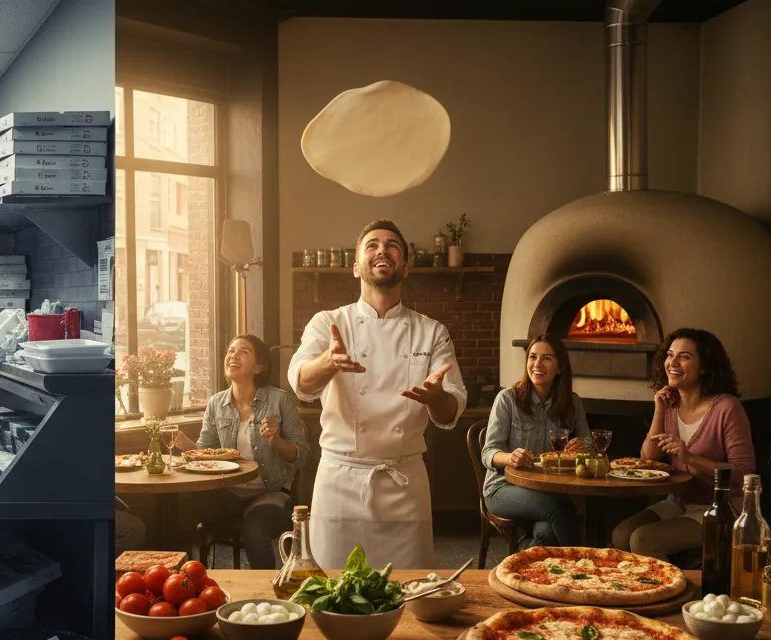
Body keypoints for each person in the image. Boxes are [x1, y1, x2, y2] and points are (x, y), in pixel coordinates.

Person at [287, 219, 467, 570]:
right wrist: (328, 362)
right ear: (356, 267)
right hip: (340, 482)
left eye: (392, 245)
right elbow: (302, 384)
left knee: (408, 593)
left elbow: (449, 413)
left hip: (404, 484)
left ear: (405, 267)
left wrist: (434, 397)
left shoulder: (432, 332)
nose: (382, 250)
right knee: (333, 591)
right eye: (371, 245)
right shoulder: (328, 323)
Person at [611, 329, 756, 561]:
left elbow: (745, 473)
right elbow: (648, 459)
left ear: (705, 366)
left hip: (721, 509)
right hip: (678, 502)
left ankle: (673, 593)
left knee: (642, 539)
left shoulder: (727, 408)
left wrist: (690, 458)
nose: (673, 362)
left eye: (684, 356)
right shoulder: (670, 405)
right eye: (670, 355)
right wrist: (659, 408)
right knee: (621, 534)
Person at [173, 334, 310, 568]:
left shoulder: (280, 400)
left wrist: (276, 439)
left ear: (260, 366)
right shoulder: (216, 403)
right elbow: (206, 453)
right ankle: (186, 587)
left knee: (254, 534)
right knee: (180, 513)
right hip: (228, 493)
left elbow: (302, 456)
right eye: (230, 351)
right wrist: (188, 447)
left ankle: (265, 595)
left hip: (270, 492)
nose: (233, 355)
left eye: (243, 351)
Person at [481, 334, 590, 547]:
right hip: (502, 488)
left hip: (549, 490)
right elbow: (489, 452)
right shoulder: (507, 399)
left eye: (546, 358)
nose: (537, 364)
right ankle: (583, 561)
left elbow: (589, 445)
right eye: (532, 357)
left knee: (547, 531)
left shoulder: (572, 403)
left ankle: (522, 571)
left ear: (560, 368)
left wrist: (583, 445)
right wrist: (510, 458)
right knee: (559, 508)